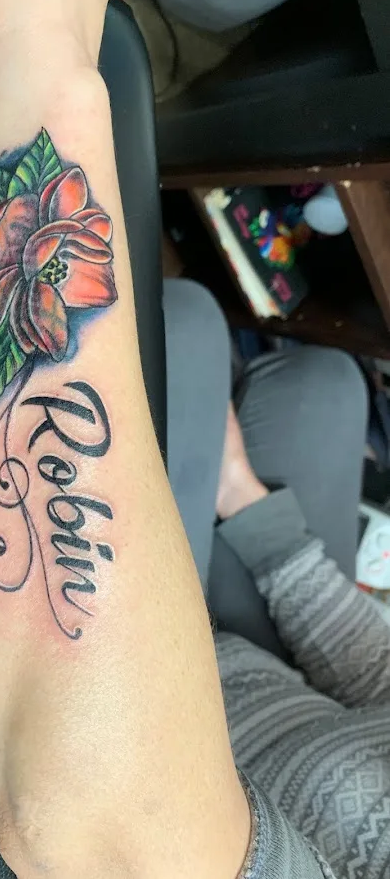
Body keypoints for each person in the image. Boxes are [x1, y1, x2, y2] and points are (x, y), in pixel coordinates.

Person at [0, 0, 352, 876]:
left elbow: (90, 821)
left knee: (190, 331)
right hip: (289, 678)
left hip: (210, 758)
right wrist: (249, 505)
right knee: (281, 362)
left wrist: (37, 60)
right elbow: (375, 672)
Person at [165, 278, 390, 879]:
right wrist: (240, 493)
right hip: (258, 671)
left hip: (150, 722)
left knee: (183, 324)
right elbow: (374, 677)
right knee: (326, 384)